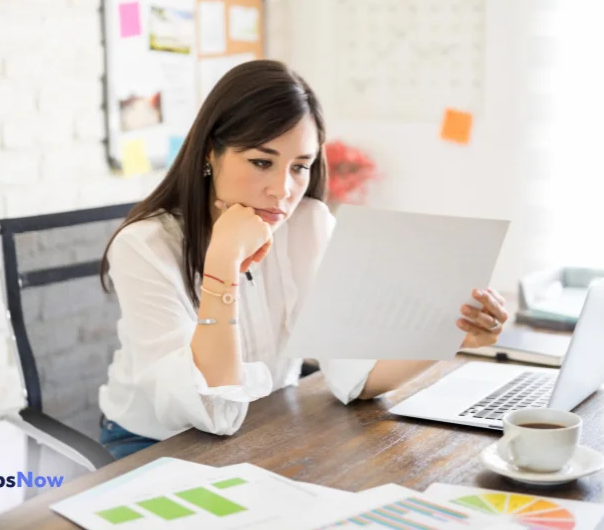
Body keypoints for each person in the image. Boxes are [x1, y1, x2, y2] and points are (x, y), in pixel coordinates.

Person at [96, 60, 509, 460]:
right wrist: (223, 262)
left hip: (262, 432)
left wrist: (450, 336)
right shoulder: (144, 246)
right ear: (210, 153)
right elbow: (212, 412)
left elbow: (355, 377)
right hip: (154, 446)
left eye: (300, 167)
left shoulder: (308, 225)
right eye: (261, 162)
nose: (283, 190)